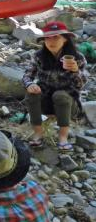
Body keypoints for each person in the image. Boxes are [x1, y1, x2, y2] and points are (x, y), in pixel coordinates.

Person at [22, 21, 88, 151]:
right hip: (45, 102)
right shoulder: (38, 56)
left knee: (61, 95)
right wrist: (29, 84)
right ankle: (38, 133)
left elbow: (82, 84)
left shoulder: (77, 58)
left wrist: (76, 71)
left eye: (56, 37)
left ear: (65, 39)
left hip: (68, 104)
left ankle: (63, 137)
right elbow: (27, 76)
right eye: (47, 38)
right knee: (31, 93)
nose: (51, 41)